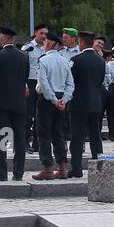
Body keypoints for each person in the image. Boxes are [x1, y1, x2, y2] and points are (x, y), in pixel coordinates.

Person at [0, 25, 28, 181]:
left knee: (3, 137)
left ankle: (1, 172)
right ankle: (18, 172)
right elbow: (24, 78)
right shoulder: (24, 56)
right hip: (18, 102)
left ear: (3, 38)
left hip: (0, 103)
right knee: (19, 138)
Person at [34, 33, 73, 180]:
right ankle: (62, 167)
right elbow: (70, 84)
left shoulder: (43, 60)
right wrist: (64, 99)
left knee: (44, 133)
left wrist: (53, 100)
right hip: (61, 98)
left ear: (52, 44)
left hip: (47, 99)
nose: (45, 44)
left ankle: (47, 167)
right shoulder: (64, 61)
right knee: (58, 134)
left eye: (46, 42)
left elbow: (43, 84)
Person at [67, 31, 105, 178]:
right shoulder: (101, 61)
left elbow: (70, 80)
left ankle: (76, 168)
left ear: (81, 43)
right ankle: (100, 166)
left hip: (79, 103)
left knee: (77, 136)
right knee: (96, 135)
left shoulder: (76, 60)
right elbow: (100, 81)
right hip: (95, 102)